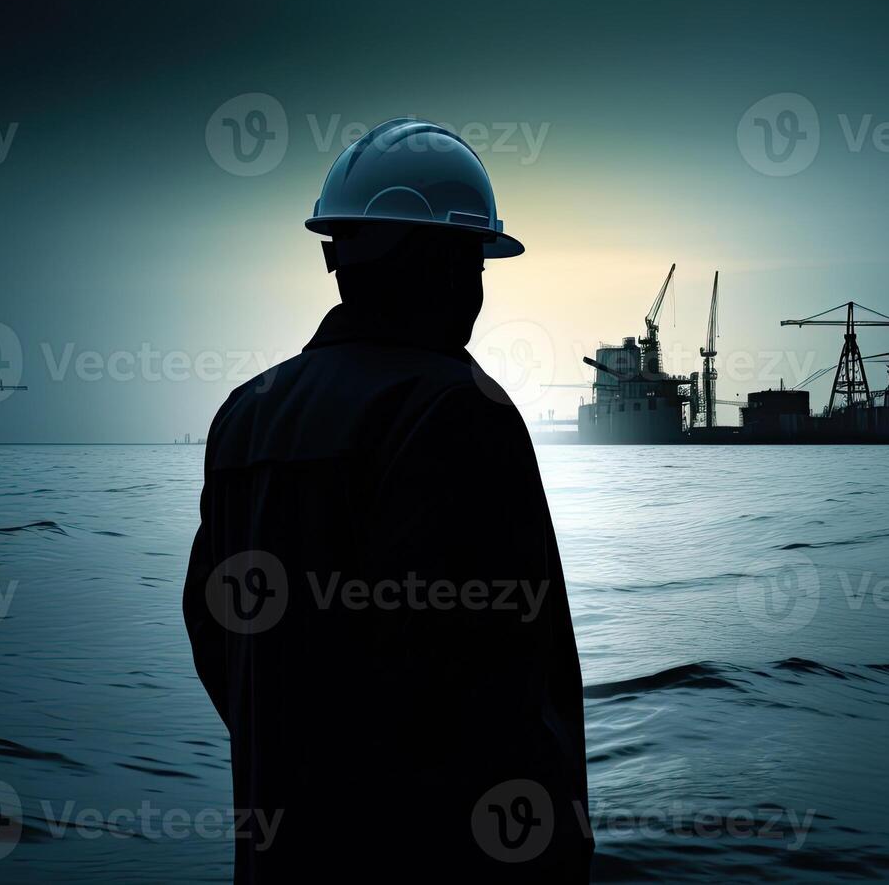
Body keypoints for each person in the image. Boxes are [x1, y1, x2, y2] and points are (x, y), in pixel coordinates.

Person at [184, 118, 590, 883]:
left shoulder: (244, 414)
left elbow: (217, 636)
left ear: (341, 258)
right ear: (438, 266)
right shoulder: (459, 409)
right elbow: (495, 680)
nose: (477, 289)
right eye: (473, 261)